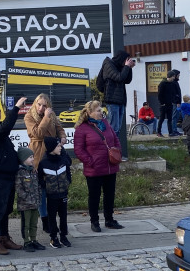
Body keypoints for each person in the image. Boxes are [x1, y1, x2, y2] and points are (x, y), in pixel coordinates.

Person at [0, 97, 27, 255]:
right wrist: (15, 108)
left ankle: (5, 237)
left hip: (9, 176)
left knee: (6, 209)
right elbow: (6, 127)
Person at [73, 99, 123, 233]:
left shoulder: (105, 123)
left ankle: (109, 220)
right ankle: (94, 222)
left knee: (109, 195)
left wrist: (118, 150)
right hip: (94, 169)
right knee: (94, 196)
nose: (101, 112)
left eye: (101, 109)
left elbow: (115, 138)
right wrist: (90, 162)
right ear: (90, 113)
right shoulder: (82, 128)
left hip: (110, 166)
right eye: (98, 110)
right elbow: (79, 150)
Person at [24, 92, 66, 233]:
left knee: (53, 187)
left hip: (52, 153)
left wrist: (63, 136)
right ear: (35, 103)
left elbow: (59, 128)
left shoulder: (51, 115)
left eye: (44, 105)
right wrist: (46, 117)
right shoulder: (29, 116)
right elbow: (38, 134)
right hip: (38, 153)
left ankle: (54, 218)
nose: (41, 108)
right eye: (39, 104)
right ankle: (45, 219)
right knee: (41, 189)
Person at [38, 135, 71, 248]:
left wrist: (67, 183)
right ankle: (53, 237)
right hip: (51, 195)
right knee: (52, 217)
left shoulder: (63, 159)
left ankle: (63, 236)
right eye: (58, 146)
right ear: (52, 148)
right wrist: (46, 187)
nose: (60, 147)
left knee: (63, 216)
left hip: (63, 193)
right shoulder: (44, 163)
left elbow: (68, 172)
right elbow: (40, 178)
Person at [100, 50, 135, 157]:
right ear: (122, 58)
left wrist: (129, 68)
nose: (127, 62)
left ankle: (114, 154)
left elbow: (127, 80)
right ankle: (109, 153)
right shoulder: (108, 64)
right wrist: (126, 67)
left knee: (117, 129)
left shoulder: (119, 66)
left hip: (120, 101)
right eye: (126, 60)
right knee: (113, 128)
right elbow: (119, 77)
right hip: (112, 100)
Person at [14, 146, 43, 252]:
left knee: (34, 223)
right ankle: (26, 241)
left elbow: (38, 186)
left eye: (33, 157)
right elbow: (19, 188)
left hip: (35, 203)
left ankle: (34, 239)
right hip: (25, 204)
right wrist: (27, 198)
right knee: (26, 224)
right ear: (23, 159)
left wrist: (38, 197)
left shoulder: (33, 171)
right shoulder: (20, 172)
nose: (32, 159)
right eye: (30, 157)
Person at [156, 70, 181, 137]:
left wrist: (174, 100)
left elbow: (173, 93)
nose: (174, 78)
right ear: (170, 76)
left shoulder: (172, 84)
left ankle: (170, 132)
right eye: (173, 76)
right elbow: (159, 94)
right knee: (162, 118)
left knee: (169, 119)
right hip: (163, 104)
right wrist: (162, 103)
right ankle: (158, 132)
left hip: (170, 103)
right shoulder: (163, 83)